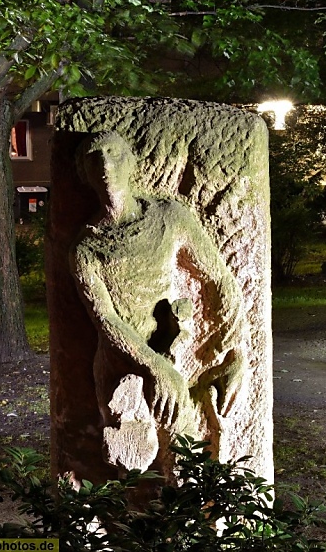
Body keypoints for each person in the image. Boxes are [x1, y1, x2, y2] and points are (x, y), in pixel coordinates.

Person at [71, 132, 246, 458]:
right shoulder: (86, 249)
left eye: (114, 153)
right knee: (129, 460)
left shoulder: (169, 217)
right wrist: (155, 369)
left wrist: (236, 353)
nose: (106, 164)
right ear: (83, 172)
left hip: (173, 347)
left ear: (132, 162)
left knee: (188, 455)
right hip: (122, 361)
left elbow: (218, 278)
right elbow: (105, 319)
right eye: (95, 157)